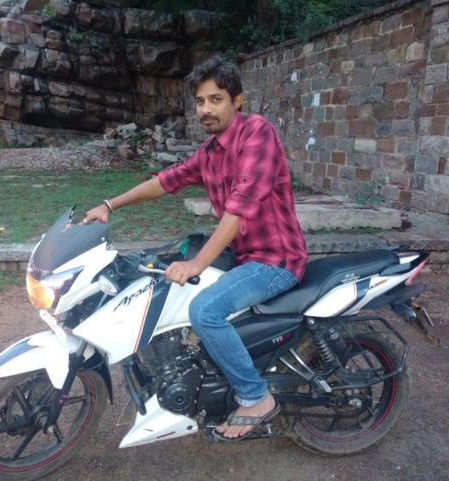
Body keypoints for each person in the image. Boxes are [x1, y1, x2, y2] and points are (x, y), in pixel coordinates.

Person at [83, 56, 308, 440]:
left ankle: (256, 398)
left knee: (205, 309)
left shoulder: (258, 134)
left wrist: (197, 264)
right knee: (163, 282)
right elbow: (164, 182)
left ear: (237, 100)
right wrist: (109, 205)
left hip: (276, 260)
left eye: (216, 99)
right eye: (200, 101)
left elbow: (240, 208)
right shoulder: (210, 152)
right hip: (244, 255)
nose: (206, 109)